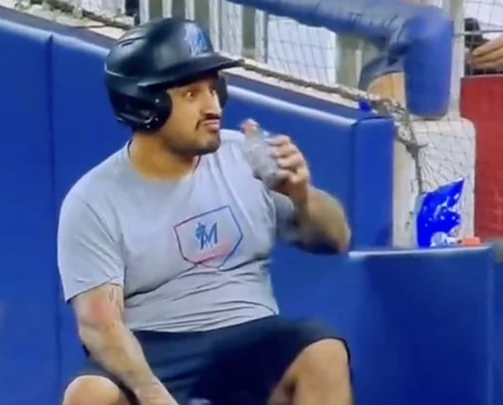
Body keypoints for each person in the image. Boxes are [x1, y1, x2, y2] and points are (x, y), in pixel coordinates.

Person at [57, 17, 353, 405]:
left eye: (215, 90)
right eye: (192, 94)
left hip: (250, 333)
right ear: (146, 104)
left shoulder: (248, 158)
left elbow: (336, 239)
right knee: (89, 395)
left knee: (324, 352)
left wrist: (301, 195)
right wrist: (151, 393)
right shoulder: (93, 199)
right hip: (154, 348)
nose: (213, 106)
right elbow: (99, 325)